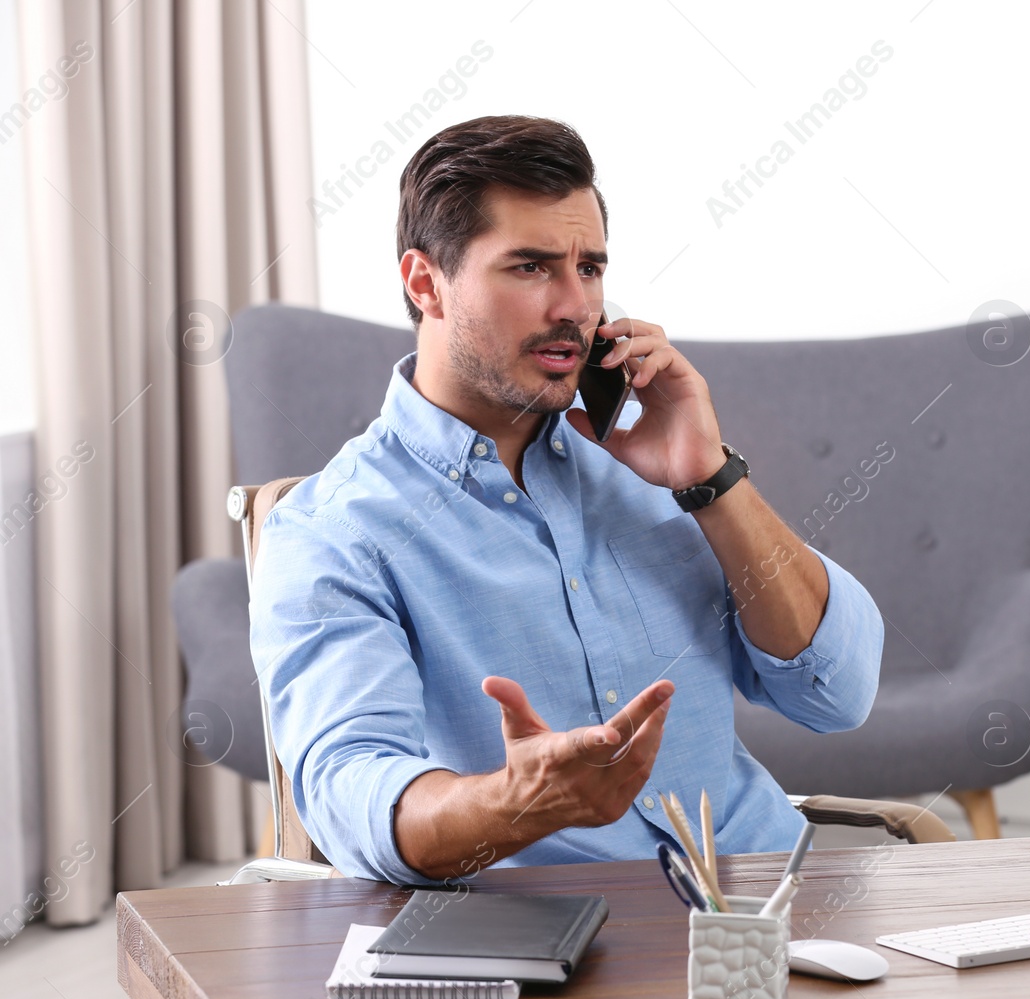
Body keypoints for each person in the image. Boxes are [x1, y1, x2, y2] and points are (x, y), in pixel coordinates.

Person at [249, 115, 884, 884]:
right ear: (426, 283)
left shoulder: (649, 468)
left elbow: (837, 692)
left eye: (589, 267)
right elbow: (354, 794)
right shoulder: (332, 531)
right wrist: (518, 802)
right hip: (565, 949)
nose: (574, 306)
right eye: (530, 267)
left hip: (771, 898)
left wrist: (709, 477)